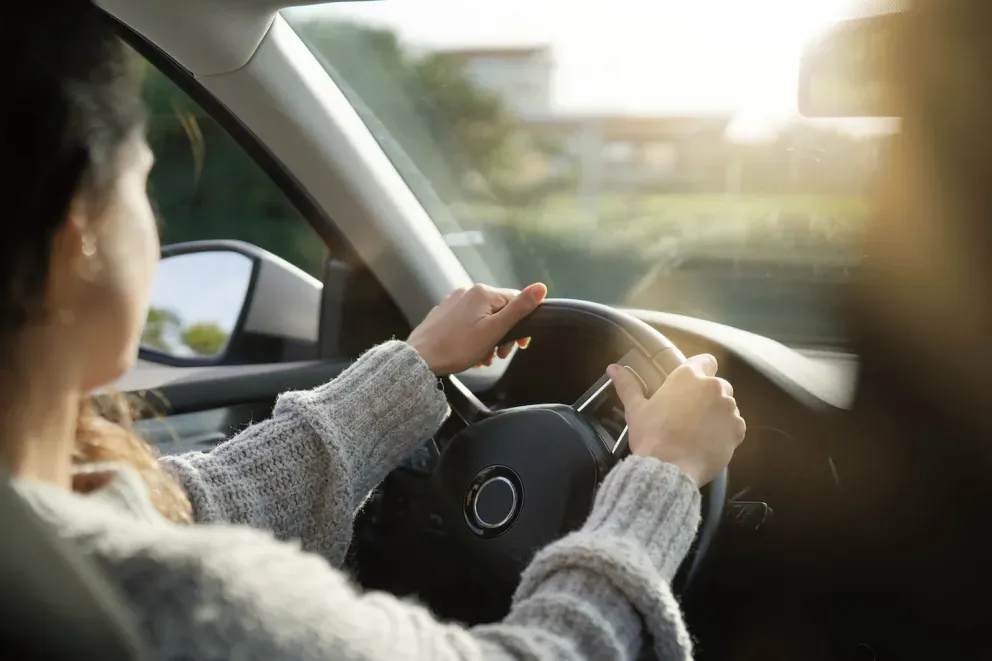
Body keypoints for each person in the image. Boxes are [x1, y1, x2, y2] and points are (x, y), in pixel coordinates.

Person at [0, 3, 746, 660]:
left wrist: (415, 367)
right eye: (143, 182)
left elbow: (186, 502)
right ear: (79, 237)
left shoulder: (48, 536)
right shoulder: (184, 607)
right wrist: (665, 473)